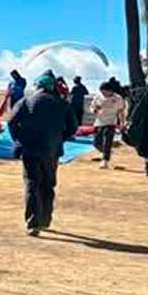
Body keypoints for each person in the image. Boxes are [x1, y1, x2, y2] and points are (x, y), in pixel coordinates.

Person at [9, 71, 77, 236]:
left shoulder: (26, 101)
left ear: (37, 85)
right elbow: (73, 127)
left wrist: (18, 140)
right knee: (48, 183)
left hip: (30, 147)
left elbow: (12, 122)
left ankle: (33, 222)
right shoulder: (62, 104)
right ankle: (45, 219)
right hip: (51, 149)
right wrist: (60, 138)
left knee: (32, 183)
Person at [91, 82, 126, 170]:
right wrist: (94, 110)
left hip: (111, 122)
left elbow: (121, 111)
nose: (104, 94)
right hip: (99, 122)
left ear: (110, 91)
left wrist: (122, 122)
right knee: (96, 143)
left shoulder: (117, 98)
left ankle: (105, 160)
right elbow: (92, 107)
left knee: (107, 140)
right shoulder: (98, 97)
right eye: (102, 92)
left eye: (105, 92)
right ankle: (106, 152)